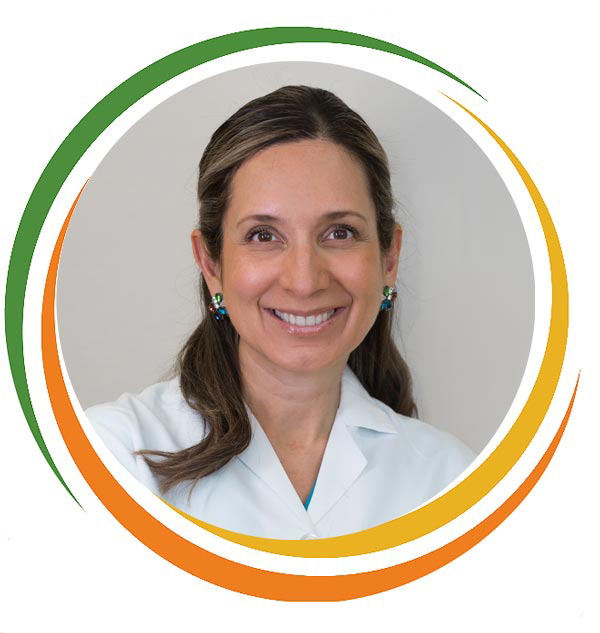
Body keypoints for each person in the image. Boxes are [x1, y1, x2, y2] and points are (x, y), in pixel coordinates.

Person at [86, 85, 475, 540]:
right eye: (263, 236)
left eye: (340, 233)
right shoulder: (111, 455)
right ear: (211, 264)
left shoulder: (451, 480)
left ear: (389, 259)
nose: (304, 280)